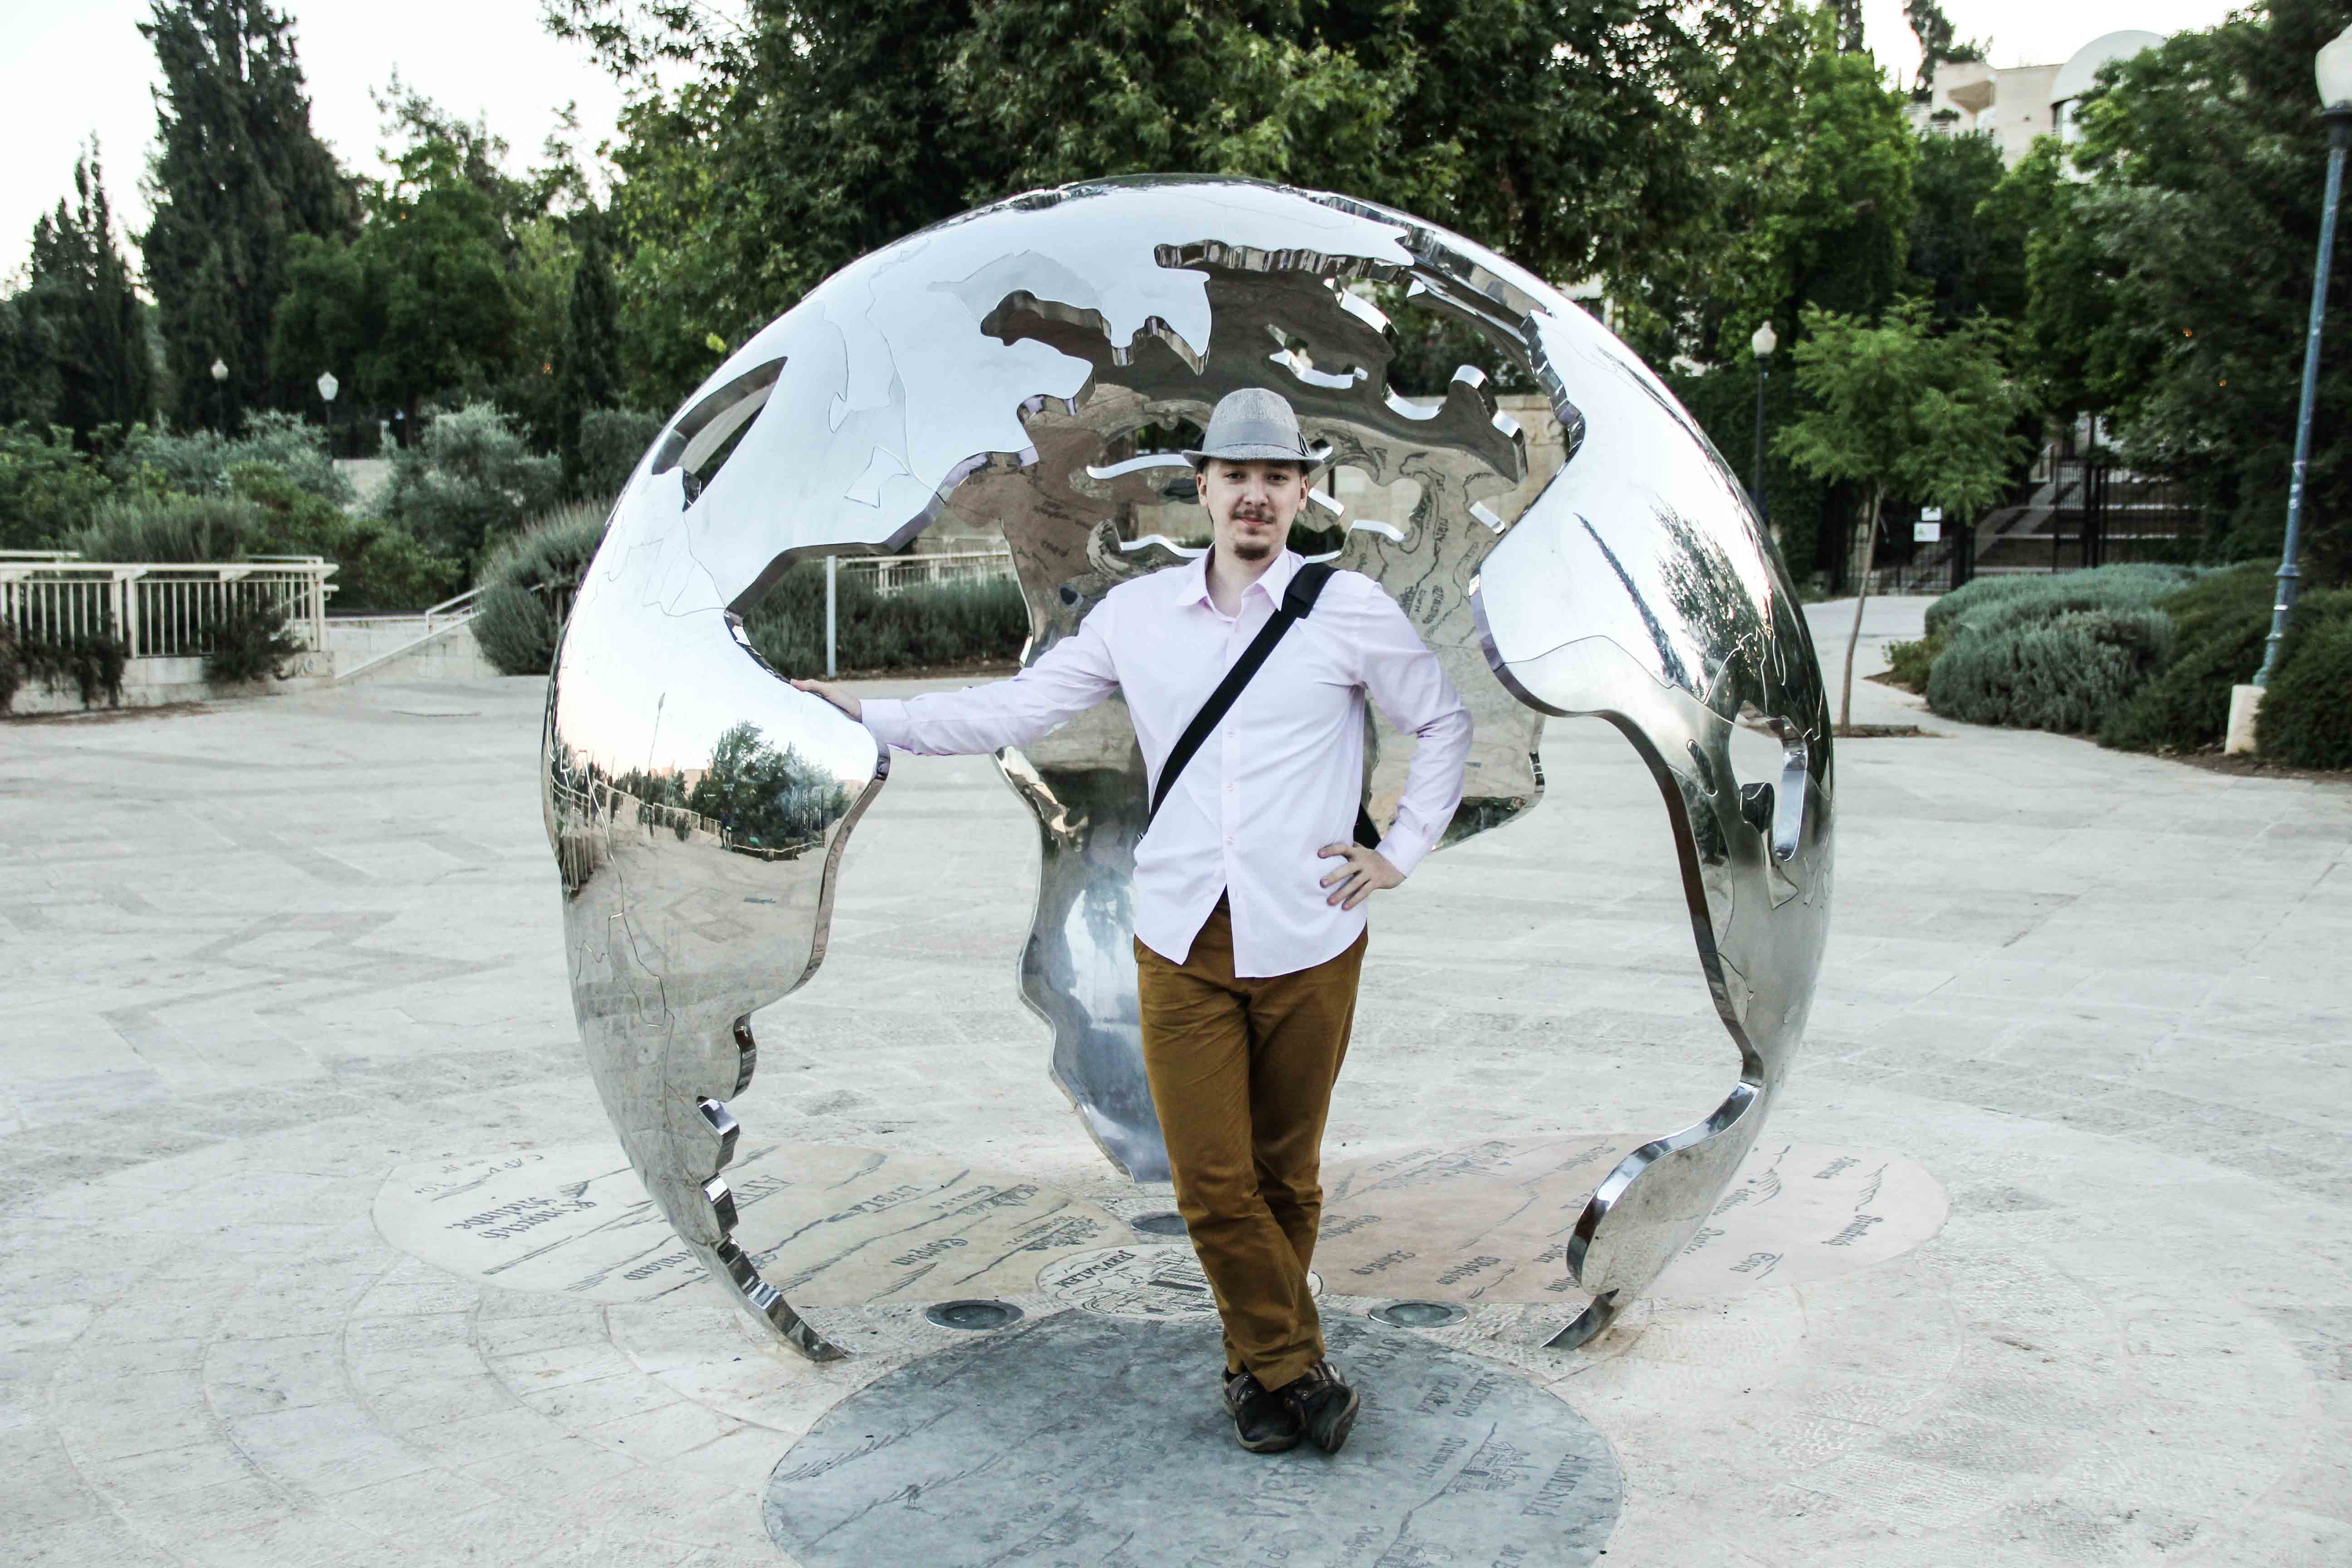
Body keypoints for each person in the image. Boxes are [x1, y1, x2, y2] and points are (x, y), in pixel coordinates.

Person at [794, 387, 1471, 1455]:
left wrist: (1400, 850)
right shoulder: (1139, 618)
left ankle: (1256, 1378)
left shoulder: (1348, 611)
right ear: (1204, 487)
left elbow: (1442, 721)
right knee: (1211, 1182)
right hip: (1181, 940)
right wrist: (870, 715)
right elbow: (1015, 708)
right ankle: (1300, 1369)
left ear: (1304, 492)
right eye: (1236, 476)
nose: (1256, 495)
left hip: (1311, 937)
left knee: (1286, 1177)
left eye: (1277, 477)